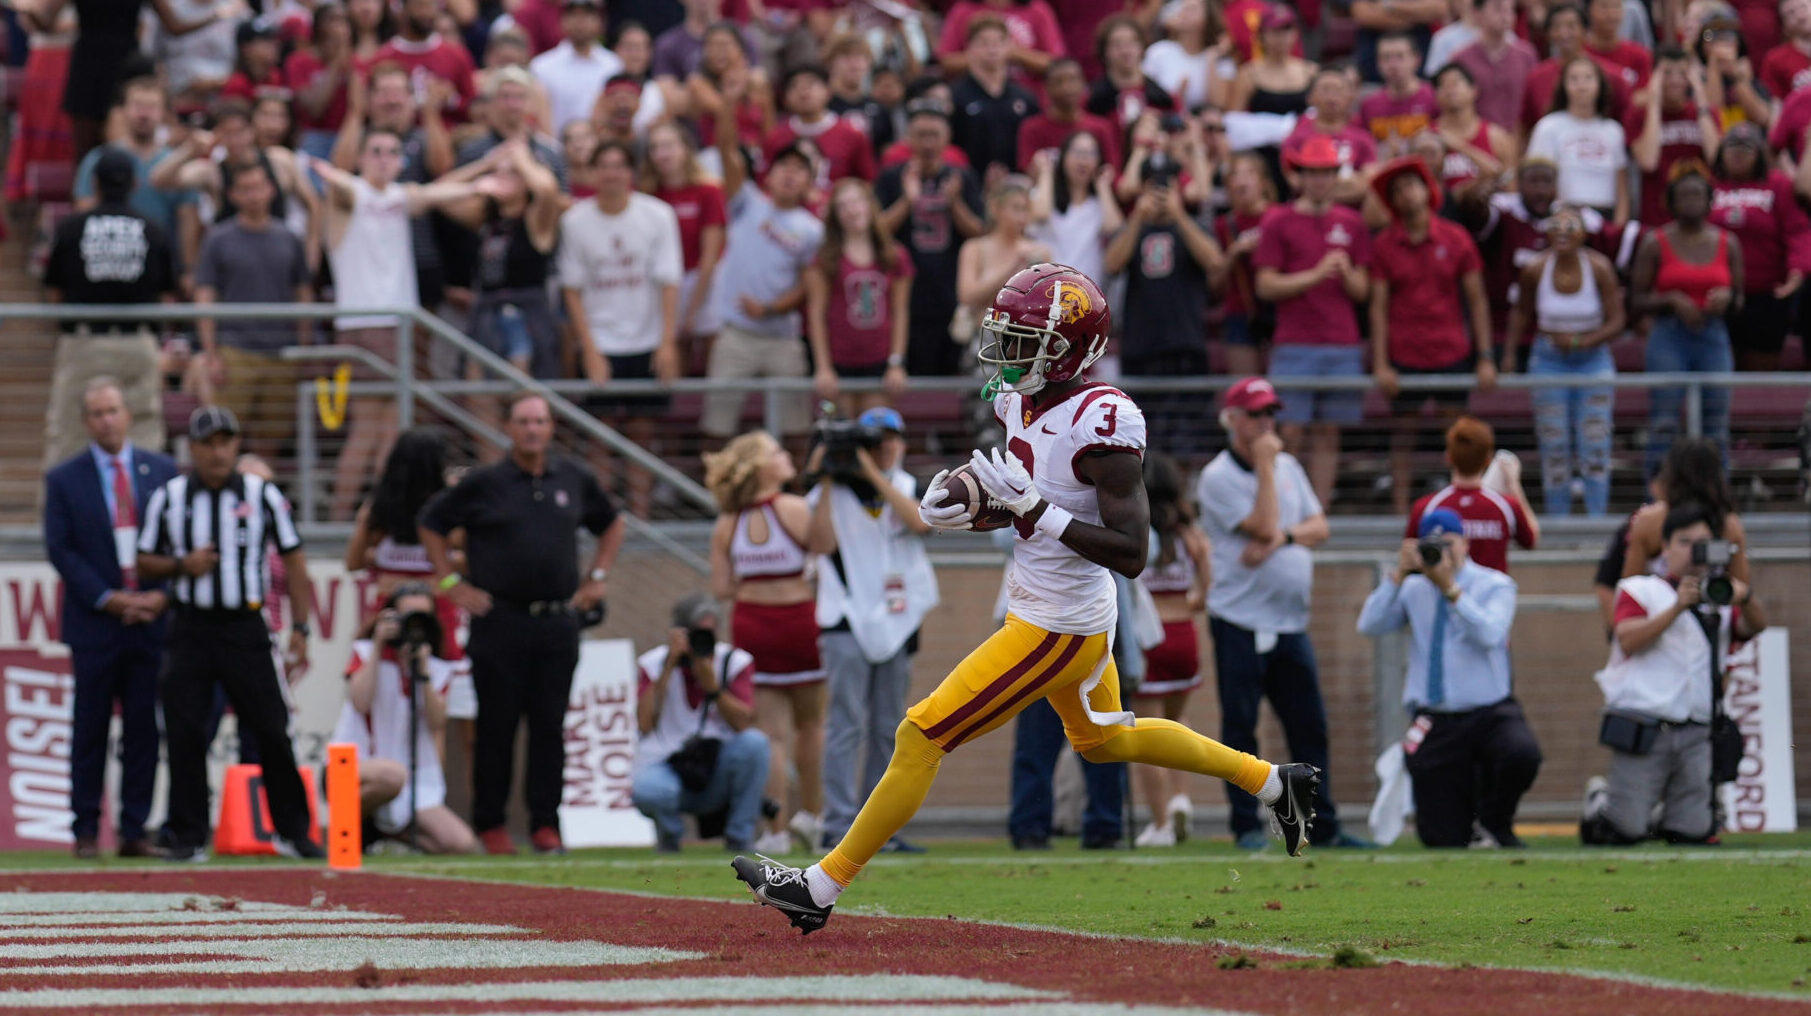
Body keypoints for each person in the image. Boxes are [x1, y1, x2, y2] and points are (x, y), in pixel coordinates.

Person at [732, 266, 1322, 936]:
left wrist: (1032, 509)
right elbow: (1022, 503)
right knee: (1101, 740)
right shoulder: (1019, 401)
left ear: (1067, 349)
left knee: (920, 733)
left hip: (1058, 624)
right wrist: (978, 507)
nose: (1004, 352)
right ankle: (1274, 783)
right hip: (1050, 604)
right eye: (1004, 336)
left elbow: (1132, 552)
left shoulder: (1102, 422)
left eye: (1019, 340)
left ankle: (818, 886)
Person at [419, 392, 625, 856]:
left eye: (540, 421)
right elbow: (430, 522)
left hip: (557, 620)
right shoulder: (485, 483)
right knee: (496, 726)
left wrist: (597, 577)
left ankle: (545, 825)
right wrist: (452, 583)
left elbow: (612, 523)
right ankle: (491, 824)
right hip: (500, 620)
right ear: (508, 429)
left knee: (550, 725)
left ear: (551, 428)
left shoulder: (572, 478)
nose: (532, 429)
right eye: (523, 421)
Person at [137, 406, 320, 862]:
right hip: (191, 626)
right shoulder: (170, 497)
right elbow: (144, 560)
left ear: (236, 445)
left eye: (226, 442)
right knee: (184, 731)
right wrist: (183, 565)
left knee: (273, 728)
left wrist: (300, 624)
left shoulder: (263, 495)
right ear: (193, 448)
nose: (218, 452)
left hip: (245, 625)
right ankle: (188, 835)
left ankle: (292, 830)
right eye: (209, 443)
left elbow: (294, 560)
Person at [1197, 377, 1360, 852]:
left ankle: (1321, 825)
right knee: (1241, 728)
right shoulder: (1218, 477)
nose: (1267, 423)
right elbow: (1263, 522)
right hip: (1239, 621)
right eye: (1256, 414)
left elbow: (1318, 526)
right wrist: (1266, 468)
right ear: (1232, 420)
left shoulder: (1289, 465)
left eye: (1271, 413)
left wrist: (1284, 540)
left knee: (1308, 726)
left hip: (1289, 623)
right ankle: (1245, 824)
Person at [309, 134, 486, 521]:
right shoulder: (352, 192)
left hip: (395, 327)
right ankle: (347, 518)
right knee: (370, 428)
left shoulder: (397, 197)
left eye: (392, 152)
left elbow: (440, 190)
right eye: (375, 151)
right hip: (368, 324)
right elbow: (340, 187)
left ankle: (380, 515)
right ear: (360, 158)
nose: (384, 159)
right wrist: (329, 173)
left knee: (392, 429)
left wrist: (484, 174)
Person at [43, 379, 179, 859]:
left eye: (113, 410)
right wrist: (108, 598)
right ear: (86, 421)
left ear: (128, 414)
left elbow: (175, 541)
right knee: (91, 727)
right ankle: (84, 829)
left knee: (144, 727)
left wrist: (159, 595)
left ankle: (134, 829)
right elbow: (60, 549)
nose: (106, 419)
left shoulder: (161, 470)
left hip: (150, 622)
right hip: (96, 624)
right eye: (97, 412)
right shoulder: (64, 479)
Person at [1582, 502, 1766, 845]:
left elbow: (1755, 627)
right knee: (1625, 831)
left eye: (1702, 543)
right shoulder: (1640, 589)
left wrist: (1746, 595)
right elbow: (1628, 639)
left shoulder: (1720, 597)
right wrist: (1678, 606)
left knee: (1693, 832)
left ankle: (1665, 814)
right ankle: (1601, 804)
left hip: (1697, 727)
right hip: (1646, 724)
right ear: (1664, 548)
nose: (1694, 553)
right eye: (1684, 542)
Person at [1357, 508, 1539, 848]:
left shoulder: (1494, 584)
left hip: (1489, 711)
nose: (1442, 552)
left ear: (1466, 544)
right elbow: (1369, 624)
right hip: (1436, 719)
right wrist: (1397, 575)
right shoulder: (1413, 588)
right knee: (1441, 838)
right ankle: (1466, 826)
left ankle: (1494, 821)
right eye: (1433, 545)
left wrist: (1452, 591)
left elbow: (1489, 634)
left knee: (1521, 753)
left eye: (1449, 543)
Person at [705, 430, 837, 855]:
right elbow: (824, 545)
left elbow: (722, 588)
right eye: (777, 453)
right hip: (799, 620)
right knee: (812, 726)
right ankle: (812, 818)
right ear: (760, 467)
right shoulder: (793, 507)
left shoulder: (728, 523)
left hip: (751, 624)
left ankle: (775, 830)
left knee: (770, 736)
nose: (786, 458)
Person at [812, 408, 937, 851]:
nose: (885, 446)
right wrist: (827, 474)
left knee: (889, 728)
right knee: (845, 726)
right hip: (844, 616)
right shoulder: (833, 490)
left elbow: (920, 522)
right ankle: (839, 826)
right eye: (874, 440)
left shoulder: (907, 485)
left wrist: (871, 470)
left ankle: (879, 828)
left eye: (892, 438)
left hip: (898, 618)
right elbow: (819, 543)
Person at [560, 139, 683, 517]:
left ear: (631, 172)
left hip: (646, 341)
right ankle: (604, 517)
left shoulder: (658, 216)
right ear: (592, 172)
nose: (612, 174)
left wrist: (666, 343)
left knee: (642, 435)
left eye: (619, 165)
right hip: (601, 341)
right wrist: (590, 350)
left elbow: (669, 281)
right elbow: (573, 290)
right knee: (600, 436)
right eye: (604, 165)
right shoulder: (575, 221)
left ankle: (641, 518)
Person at [1367, 157, 1495, 515]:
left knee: (1459, 437)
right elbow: (1377, 307)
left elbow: (1477, 300)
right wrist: (1381, 364)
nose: (1405, 194)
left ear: (1429, 190)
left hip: (1450, 349)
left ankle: (1465, 508)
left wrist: (1485, 357)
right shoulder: (1385, 244)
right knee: (1402, 438)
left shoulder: (1456, 238)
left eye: (1411, 185)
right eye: (1397, 190)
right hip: (1404, 353)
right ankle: (1399, 513)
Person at [1253, 134, 1372, 508]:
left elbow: (1363, 290)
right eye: (1314, 172)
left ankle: (1316, 509)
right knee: (1289, 433)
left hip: (1341, 342)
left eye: (1328, 172)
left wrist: (1348, 274)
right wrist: (1316, 274)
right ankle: (1284, 508)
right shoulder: (1278, 221)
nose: (1321, 179)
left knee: (1327, 433)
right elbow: (1265, 285)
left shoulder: (1352, 223)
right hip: (1295, 342)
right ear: (1298, 176)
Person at [41, 148, 177, 471]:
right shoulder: (152, 229)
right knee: (142, 431)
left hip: (83, 343)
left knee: (70, 434)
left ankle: (60, 517)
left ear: (94, 183)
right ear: (134, 183)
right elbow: (167, 293)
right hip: (138, 345)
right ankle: (149, 516)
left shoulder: (71, 228)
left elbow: (54, 290)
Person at [701, 102, 825, 442]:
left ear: (809, 183)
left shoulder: (813, 230)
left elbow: (809, 285)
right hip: (736, 333)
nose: (789, 173)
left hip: (783, 337)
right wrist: (725, 107)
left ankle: (794, 495)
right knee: (717, 428)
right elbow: (728, 152)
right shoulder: (745, 203)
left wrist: (771, 308)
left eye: (799, 170)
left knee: (796, 430)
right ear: (768, 174)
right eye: (783, 166)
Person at [333, 582, 478, 854]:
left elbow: (437, 723)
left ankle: (379, 832)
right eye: (406, 618)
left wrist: (421, 671)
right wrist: (378, 645)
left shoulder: (436, 667)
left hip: (410, 781)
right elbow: (360, 701)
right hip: (352, 766)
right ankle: (343, 832)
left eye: (421, 618)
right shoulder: (365, 653)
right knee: (391, 776)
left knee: (460, 844)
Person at [1505, 206, 1626, 516]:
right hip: (1549, 360)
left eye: (1570, 226)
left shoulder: (1598, 268)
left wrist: (1582, 340)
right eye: (1555, 226)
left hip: (1593, 359)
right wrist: (1507, 354)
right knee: (1554, 444)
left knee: (1595, 443)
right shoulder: (1535, 269)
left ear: (1583, 233)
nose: (1562, 232)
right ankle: (1558, 520)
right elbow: (1521, 313)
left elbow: (1617, 320)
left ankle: (1596, 520)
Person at [192, 162, 314, 464]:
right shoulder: (218, 239)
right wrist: (211, 353)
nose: (254, 195)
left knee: (272, 440)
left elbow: (303, 294)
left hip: (282, 354)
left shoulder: (289, 237)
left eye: (259, 187)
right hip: (234, 351)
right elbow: (205, 296)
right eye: (245, 189)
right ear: (233, 195)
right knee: (223, 436)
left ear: (271, 190)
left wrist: (304, 348)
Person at [632, 593, 770, 852]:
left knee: (756, 744)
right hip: (668, 768)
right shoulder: (654, 663)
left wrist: (714, 688)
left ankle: (740, 837)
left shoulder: (733, 661)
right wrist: (668, 666)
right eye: (696, 634)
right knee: (648, 789)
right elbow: (644, 724)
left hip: (718, 768)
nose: (701, 642)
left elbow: (744, 723)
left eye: (709, 633)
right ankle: (670, 837)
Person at [1629, 168, 1743, 478]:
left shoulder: (1728, 242)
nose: (1690, 202)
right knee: (1664, 420)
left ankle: (1716, 496)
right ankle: (1657, 500)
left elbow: (1740, 300)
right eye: (1683, 196)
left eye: (1697, 195)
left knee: (1715, 421)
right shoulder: (1655, 241)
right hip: (1669, 336)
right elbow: (1635, 300)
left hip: (1713, 335)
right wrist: (1671, 300)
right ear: (1671, 202)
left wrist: (1727, 299)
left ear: (1709, 202)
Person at [1130, 452, 1211, 848]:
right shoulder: (1188, 532)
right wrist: (1195, 598)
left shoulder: (1133, 526)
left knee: (1147, 737)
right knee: (1178, 725)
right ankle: (1181, 798)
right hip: (1185, 635)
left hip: (1148, 639)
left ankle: (1161, 824)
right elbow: (1205, 578)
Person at [875, 102, 986, 378]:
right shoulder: (891, 177)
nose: (927, 142)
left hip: (950, 292)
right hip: (905, 294)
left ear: (947, 138)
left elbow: (980, 234)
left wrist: (955, 203)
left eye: (934, 134)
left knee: (951, 375)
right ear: (908, 138)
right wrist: (906, 200)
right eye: (921, 134)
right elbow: (876, 232)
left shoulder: (963, 177)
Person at [805, 179, 914, 413]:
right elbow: (816, 314)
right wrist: (823, 368)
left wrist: (896, 362)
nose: (852, 210)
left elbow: (900, 312)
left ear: (869, 205)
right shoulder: (826, 259)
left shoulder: (894, 256)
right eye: (843, 206)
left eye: (857, 201)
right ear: (835, 215)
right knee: (844, 436)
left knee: (873, 434)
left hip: (879, 361)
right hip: (840, 361)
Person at [1709, 124, 1811, 373]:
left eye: (1746, 149)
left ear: (1760, 154)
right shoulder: (1708, 186)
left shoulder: (1778, 185)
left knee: (1759, 370)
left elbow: (1798, 231)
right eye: (1732, 148)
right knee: (1721, 366)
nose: (1738, 154)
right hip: (1719, 293)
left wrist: (1797, 271)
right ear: (1721, 152)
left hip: (1767, 294)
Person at [1405, 417, 1540, 574]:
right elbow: (1532, 539)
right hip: (1488, 597)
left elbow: (1409, 559)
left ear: (1448, 457)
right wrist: (1514, 485)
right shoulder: (1507, 506)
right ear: (1488, 460)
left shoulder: (1426, 506)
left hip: (1451, 596)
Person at [643, 121, 727, 371]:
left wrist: (693, 308)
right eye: (655, 148)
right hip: (667, 281)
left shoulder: (709, 190)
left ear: (686, 149)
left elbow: (710, 255)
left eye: (668, 146)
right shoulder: (649, 192)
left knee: (712, 347)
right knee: (673, 350)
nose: (661, 153)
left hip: (705, 280)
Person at [1622, 437, 1753, 584]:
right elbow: (1631, 589)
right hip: (1663, 606)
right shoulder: (1730, 524)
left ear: (1671, 474)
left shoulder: (1648, 520)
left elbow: (1741, 592)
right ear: (1716, 476)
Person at [1526, 56, 1630, 227]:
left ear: (1600, 84)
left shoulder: (1613, 131)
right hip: (1562, 216)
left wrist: (1618, 226)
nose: (1581, 85)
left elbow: (1622, 187)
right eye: (1574, 79)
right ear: (1564, 85)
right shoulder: (1548, 127)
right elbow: (1538, 177)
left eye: (1588, 78)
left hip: (1605, 215)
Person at [1627, 48, 1720, 229]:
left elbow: (1716, 159)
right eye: (1667, 73)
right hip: (1656, 220)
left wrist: (1700, 96)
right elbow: (1648, 161)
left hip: (1702, 220)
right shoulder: (1638, 116)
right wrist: (1654, 102)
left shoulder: (1705, 114)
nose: (1675, 80)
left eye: (1683, 73)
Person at [948, 16, 1040, 188]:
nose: (992, 49)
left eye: (999, 42)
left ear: (1009, 47)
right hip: (969, 187)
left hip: (1018, 187)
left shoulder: (1025, 98)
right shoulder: (955, 96)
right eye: (984, 43)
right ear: (970, 48)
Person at [1028, 131, 1122, 290]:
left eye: (1091, 153)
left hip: (1086, 296)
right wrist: (1046, 172)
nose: (1084, 159)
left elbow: (1114, 228)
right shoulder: (1044, 195)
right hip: (1046, 293)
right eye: (1077, 152)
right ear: (1063, 157)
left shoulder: (1098, 203)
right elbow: (1040, 213)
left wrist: (1103, 186)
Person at [764, 64, 877, 190]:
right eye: (794, 86)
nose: (803, 91)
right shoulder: (775, 138)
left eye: (811, 84)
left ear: (828, 91)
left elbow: (868, 183)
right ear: (785, 98)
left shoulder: (853, 134)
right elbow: (765, 183)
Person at [1214, 153, 1275, 379]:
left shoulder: (1279, 217)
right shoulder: (1224, 225)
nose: (1241, 181)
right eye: (1235, 175)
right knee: (1247, 388)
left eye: (1249, 173)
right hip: (1240, 312)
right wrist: (1233, 253)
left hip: (1278, 309)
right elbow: (1214, 284)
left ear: (1264, 182)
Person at [1280, 66, 1379, 206]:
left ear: (1350, 97)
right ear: (1310, 97)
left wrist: (1318, 187)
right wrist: (1347, 183)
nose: (1331, 96)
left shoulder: (1363, 139)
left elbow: (1368, 182)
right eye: (1325, 89)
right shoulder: (1296, 138)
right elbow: (1295, 181)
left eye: (1338, 90)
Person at [530, 0, 623, 134]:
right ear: (562, 21)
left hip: (601, 149)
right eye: (573, 15)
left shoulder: (614, 65)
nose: (580, 22)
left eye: (587, 15)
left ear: (600, 22)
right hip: (556, 149)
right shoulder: (541, 67)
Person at [375, 0, 477, 121]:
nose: (427, 12)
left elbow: (475, 107)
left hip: (451, 133)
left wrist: (452, 100)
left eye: (432, 5)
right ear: (403, 9)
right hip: (398, 136)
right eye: (420, 5)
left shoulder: (457, 55)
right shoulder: (383, 57)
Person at [1448, 0, 1538, 131]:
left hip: (1520, 137)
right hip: (1477, 138)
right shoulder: (1461, 58)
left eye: (1511, 10)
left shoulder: (1527, 55)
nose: (1506, 15)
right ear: (1477, 13)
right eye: (1498, 8)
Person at [1016, 59, 1119, 174]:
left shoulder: (1102, 128)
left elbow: (1111, 173)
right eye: (1058, 82)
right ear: (1046, 88)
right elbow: (1029, 172)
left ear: (1083, 84)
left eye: (1072, 80)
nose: (1066, 88)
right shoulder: (1031, 128)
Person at [1140, 0, 1235, 113]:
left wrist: (1212, 58)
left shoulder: (1222, 60)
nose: (1183, 12)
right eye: (1182, 7)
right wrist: (1175, 101)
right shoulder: (1158, 51)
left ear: (1208, 18)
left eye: (1192, 9)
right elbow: (1142, 93)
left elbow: (1218, 104)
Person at [1361, 33, 1440, 160]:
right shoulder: (1369, 104)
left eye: (1400, 56)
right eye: (1386, 58)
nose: (1393, 64)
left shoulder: (1435, 97)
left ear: (1417, 60)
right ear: (1378, 63)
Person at [1227, 6, 1315, 115]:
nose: (1283, 37)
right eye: (1276, 30)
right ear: (1262, 35)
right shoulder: (1248, 74)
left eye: (1287, 29)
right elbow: (1234, 118)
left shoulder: (1309, 71)